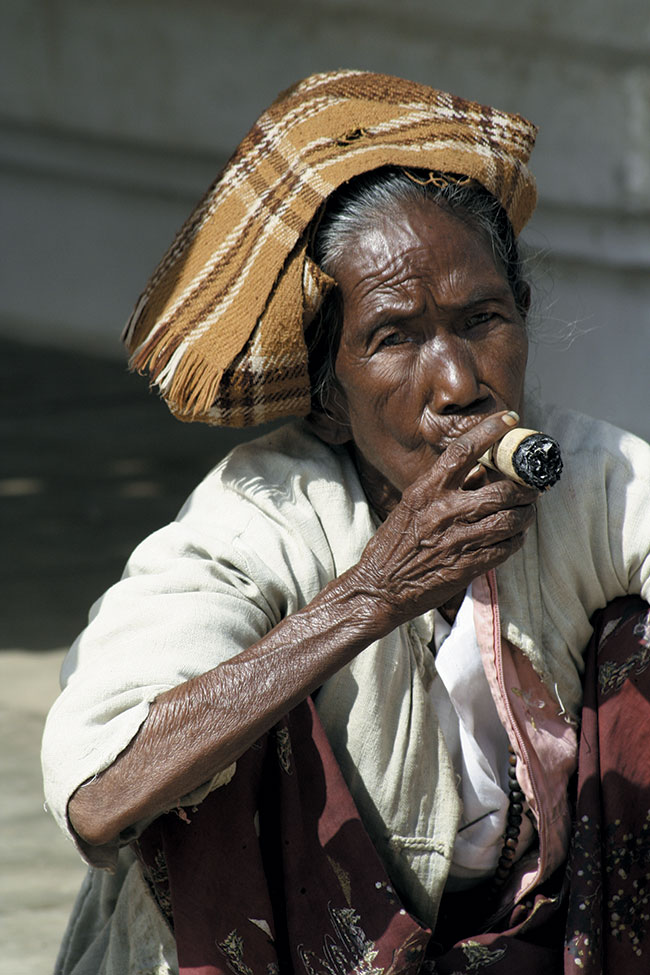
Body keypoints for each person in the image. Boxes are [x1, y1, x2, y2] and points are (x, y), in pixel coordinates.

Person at [42, 70, 650, 974]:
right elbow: (100, 791)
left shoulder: (585, 475)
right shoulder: (260, 518)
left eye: (482, 320)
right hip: (297, 950)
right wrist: (373, 593)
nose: (457, 382)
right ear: (329, 402)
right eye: (396, 338)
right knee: (232, 727)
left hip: (521, 937)